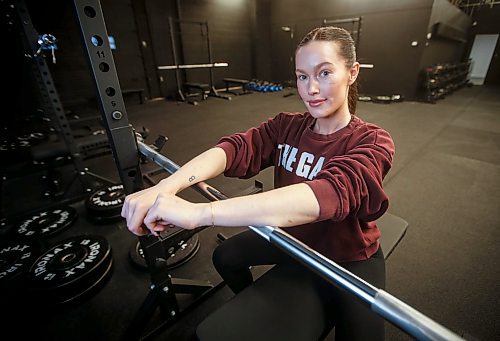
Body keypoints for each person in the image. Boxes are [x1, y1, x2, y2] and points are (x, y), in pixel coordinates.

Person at [122, 26, 394, 340]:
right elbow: (234, 149)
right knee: (225, 257)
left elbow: (330, 193)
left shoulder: (373, 141)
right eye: (302, 76)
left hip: (348, 254)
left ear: (352, 72)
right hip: (293, 240)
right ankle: (257, 300)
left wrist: (201, 213)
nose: (311, 89)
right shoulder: (287, 126)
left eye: (324, 73)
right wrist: (164, 187)